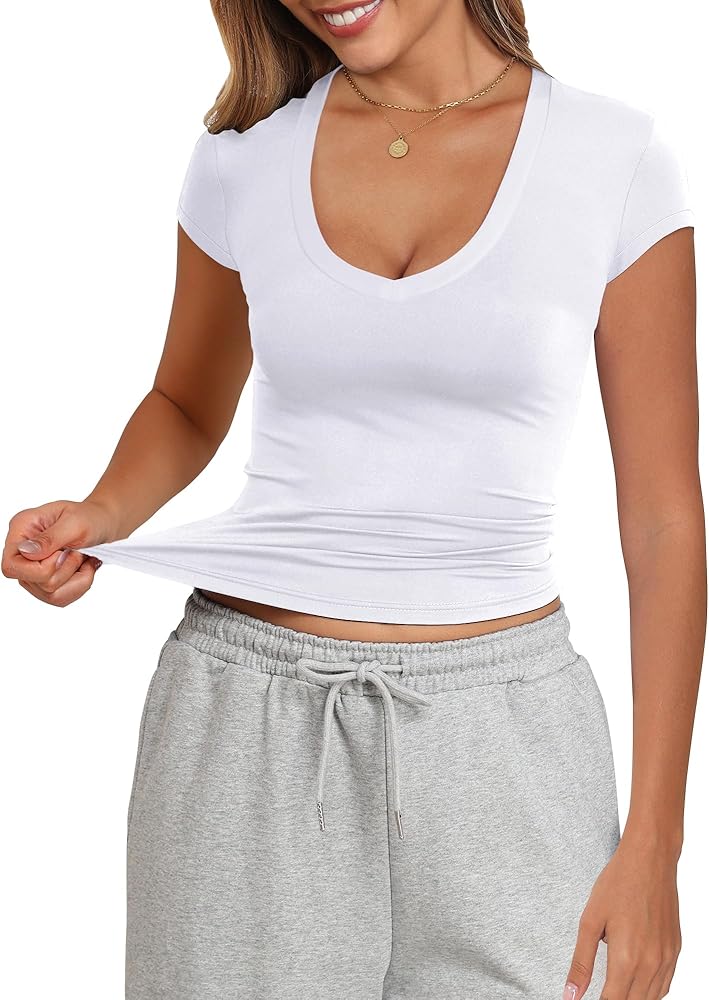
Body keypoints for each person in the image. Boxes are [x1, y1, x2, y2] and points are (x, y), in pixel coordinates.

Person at [3, 1, 703, 998]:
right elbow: (186, 404)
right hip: (245, 727)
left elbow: (664, 517)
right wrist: (102, 511)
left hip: (508, 746)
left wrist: (656, 846)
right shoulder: (243, 159)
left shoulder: (613, 159)